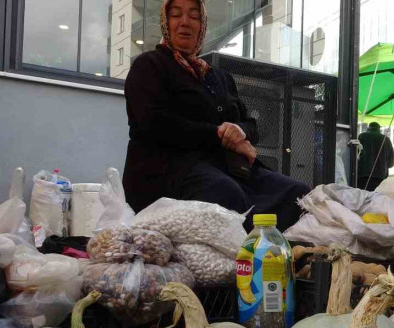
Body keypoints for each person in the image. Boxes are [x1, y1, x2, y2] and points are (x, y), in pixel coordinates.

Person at [122, 0, 311, 232]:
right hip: (169, 170)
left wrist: (240, 132)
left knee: (298, 194)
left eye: (194, 16)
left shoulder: (219, 77)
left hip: (227, 167)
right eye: (176, 15)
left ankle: (284, 257)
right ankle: (247, 262)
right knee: (226, 194)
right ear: (165, 23)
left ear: (202, 25)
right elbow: (153, 122)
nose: (185, 23)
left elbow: (250, 125)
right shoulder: (149, 66)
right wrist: (220, 134)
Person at [357, 122, 394, 191]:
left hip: (363, 176)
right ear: (379, 129)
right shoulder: (386, 139)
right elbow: (391, 162)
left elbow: (355, 156)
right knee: (376, 200)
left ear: (368, 128)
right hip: (380, 178)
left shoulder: (361, 136)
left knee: (362, 199)